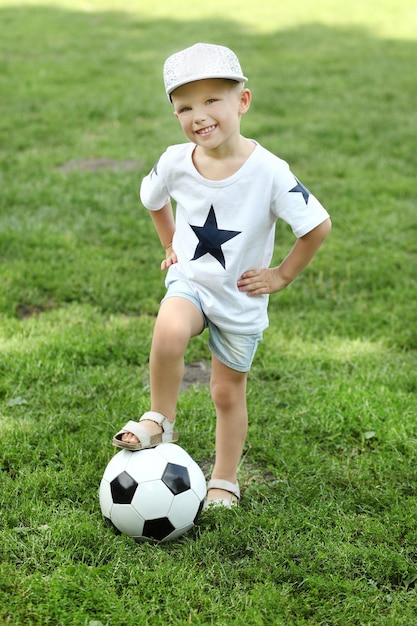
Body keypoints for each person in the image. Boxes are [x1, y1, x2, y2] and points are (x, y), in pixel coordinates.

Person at [113, 43, 331, 508]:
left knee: (226, 393)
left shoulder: (270, 173)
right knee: (168, 330)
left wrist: (281, 276)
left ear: (242, 102)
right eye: (185, 106)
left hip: (239, 299)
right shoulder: (175, 160)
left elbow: (316, 226)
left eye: (213, 100)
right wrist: (170, 244)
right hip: (191, 280)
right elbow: (153, 198)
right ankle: (160, 420)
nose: (199, 116)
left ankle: (223, 479)